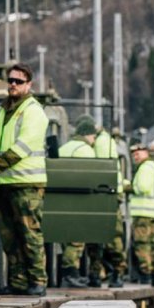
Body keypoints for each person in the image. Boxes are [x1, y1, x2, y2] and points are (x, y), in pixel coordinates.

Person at [0, 61, 49, 295]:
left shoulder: (33, 111)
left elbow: (23, 147)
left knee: (29, 234)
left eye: (18, 81)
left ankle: (38, 280)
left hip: (27, 185)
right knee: (9, 237)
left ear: (29, 85)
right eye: (10, 80)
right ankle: (18, 282)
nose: (13, 84)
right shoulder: (2, 111)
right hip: (5, 183)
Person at [56, 116, 97, 288]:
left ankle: (71, 273)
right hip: (79, 200)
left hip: (61, 199)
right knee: (78, 239)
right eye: (93, 136)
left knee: (67, 238)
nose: (94, 140)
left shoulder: (64, 147)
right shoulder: (86, 150)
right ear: (87, 134)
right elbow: (91, 177)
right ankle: (70, 273)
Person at [93, 120, 127, 287]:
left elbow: (101, 167)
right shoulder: (106, 141)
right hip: (108, 194)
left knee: (107, 238)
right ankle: (115, 273)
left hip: (106, 194)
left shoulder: (102, 141)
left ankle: (107, 273)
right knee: (111, 238)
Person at [127, 144, 154, 286]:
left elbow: (142, 187)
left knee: (142, 244)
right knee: (152, 245)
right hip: (152, 213)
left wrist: (129, 187)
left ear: (146, 153)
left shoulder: (145, 168)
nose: (135, 157)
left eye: (138, 154)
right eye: (134, 155)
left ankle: (146, 274)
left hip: (143, 213)